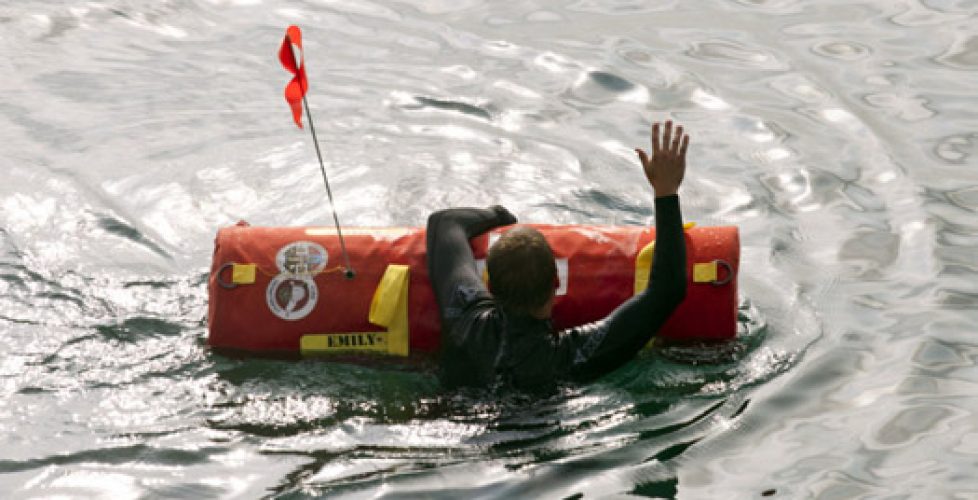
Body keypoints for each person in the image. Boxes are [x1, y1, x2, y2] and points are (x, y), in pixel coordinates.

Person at [426, 120, 689, 392]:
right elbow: (667, 290)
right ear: (556, 283)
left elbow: (445, 223)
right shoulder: (572, 356)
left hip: (453, 421)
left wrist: (501, 216)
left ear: (489, 285)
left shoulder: (464, 317)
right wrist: (666, 192)